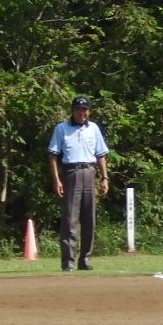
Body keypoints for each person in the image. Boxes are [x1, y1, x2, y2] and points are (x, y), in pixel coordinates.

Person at [48, 95, 111, 271]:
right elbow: (53, 156)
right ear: (72, 111)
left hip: (89, 172)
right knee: (70, 219)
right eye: (78, 109)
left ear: (89, 111)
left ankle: (85, 260)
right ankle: (68, 262)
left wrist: (104, 177)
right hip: (71, 172)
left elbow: (100, 155)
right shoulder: (61, 128)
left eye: (84, 110)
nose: (81, 113)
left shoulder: (94, 128)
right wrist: (57, 180)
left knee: (89, 218)